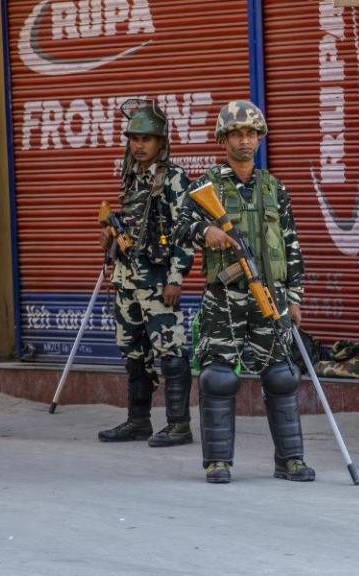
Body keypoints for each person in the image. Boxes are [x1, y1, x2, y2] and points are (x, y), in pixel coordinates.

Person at [175, 100, 315, 484]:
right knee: (219, 378)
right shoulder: (205, 187)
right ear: (223, 139)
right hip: (225, 297)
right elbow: (178, 227)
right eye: (237, 133)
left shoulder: (273, 188)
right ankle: (218, 461)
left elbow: (291, 243)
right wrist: (206, 232)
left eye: (251, 133)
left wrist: (296, 297)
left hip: (270, 296)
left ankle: (290, 460)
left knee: (283, 376)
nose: (245, 140)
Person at [97, 99, 194, 448]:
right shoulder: (132, 175)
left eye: (146, 139)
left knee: (170, 349)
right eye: (134, 138)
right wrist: (110, 236)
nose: (139, 145)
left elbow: (186, 232)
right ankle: (138, 421)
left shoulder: (175, 179)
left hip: (157, 280)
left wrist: (176, 279)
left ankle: (179, 425)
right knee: (132, 350)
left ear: (161, 142)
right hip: (128, 279)